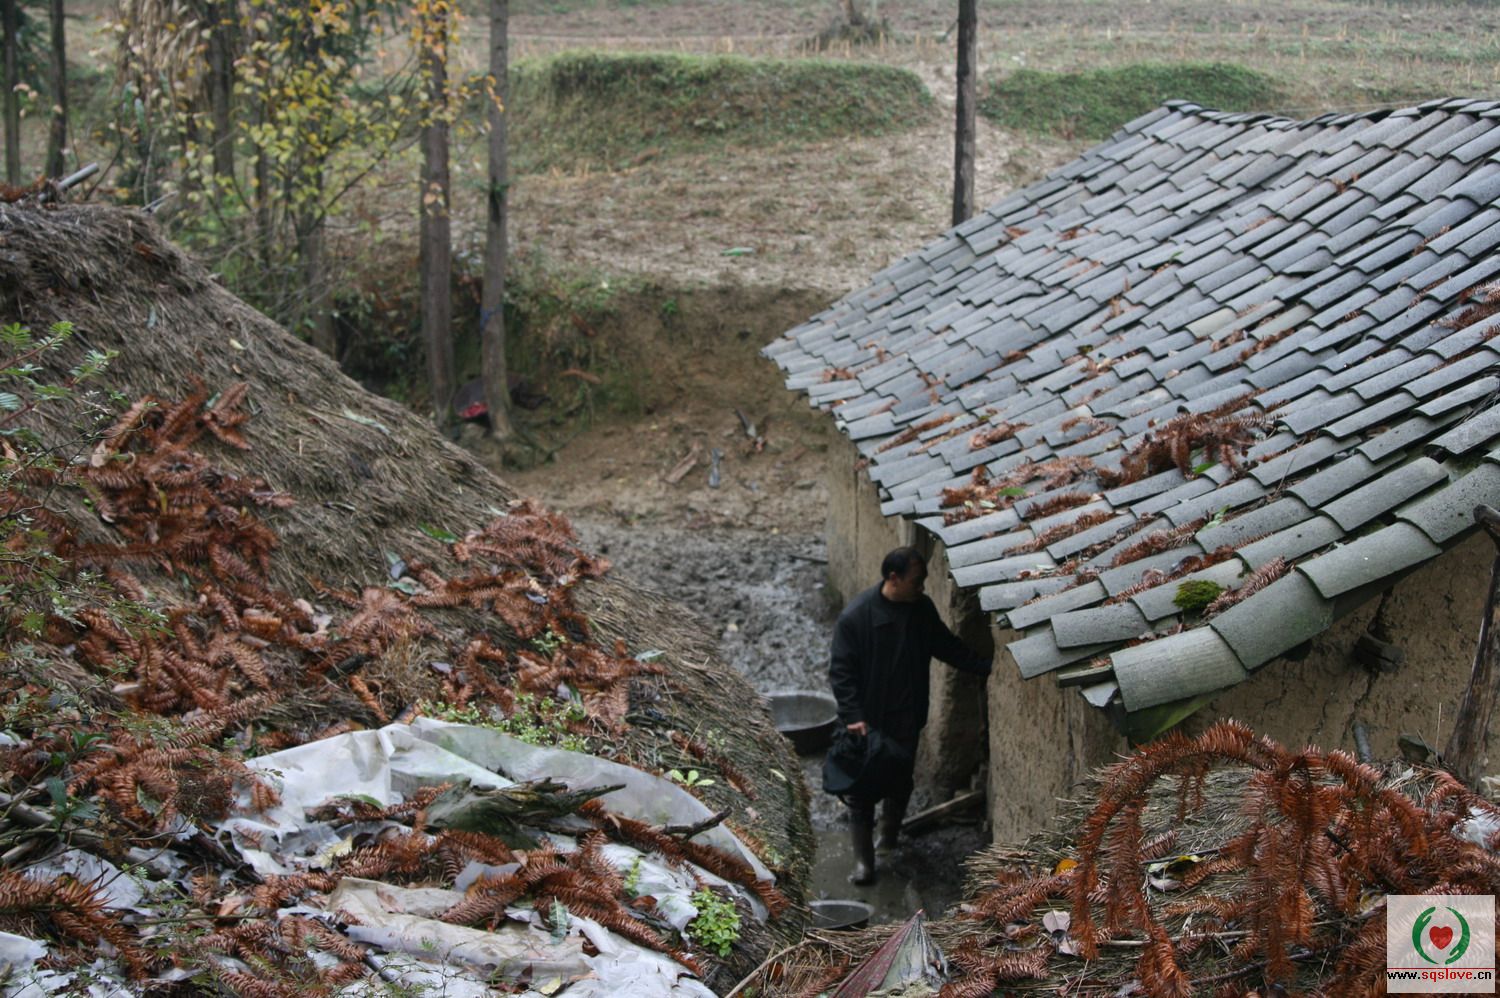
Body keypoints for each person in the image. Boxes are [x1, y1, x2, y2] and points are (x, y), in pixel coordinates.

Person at [827, 546, 991, 885]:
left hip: (906, 718)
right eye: (916, 581)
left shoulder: (921, 610)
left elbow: (945, 645)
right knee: (862, 790)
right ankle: (864, 863)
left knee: (900, 781)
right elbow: (841, 672)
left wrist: (984, 666)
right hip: (867, 723)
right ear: (894, 578)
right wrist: (853, 715)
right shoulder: (856, 618)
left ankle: (889, 838)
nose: (922, 587)